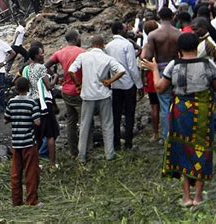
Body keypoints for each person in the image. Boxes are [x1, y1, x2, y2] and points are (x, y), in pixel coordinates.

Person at [141, 33, 216, 207]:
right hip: (202, 112)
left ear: (179, 50)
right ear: (196, 47)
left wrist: (154, 69)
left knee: (183, 149)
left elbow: (160, 88)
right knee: (202, 149)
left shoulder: (174, 65)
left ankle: (186, 197)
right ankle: (198, 197)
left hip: (181, 112)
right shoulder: (208, 64)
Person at [68, 36, 125, 164]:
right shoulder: (107, 58)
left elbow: (71, 71)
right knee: (107, 125)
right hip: (104, 95)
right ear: (103, 45)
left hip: (88, 96)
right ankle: (109, 154)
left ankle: (81, 156)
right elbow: (122, 70)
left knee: (84, 126)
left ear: (92, 44)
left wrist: (77, 84)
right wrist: (110, 81)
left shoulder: (83, 56)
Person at [141, 7, 181, 140]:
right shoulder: (179, 34)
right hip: (177, 68)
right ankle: (179, 134)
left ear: (159, 17)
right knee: (178, 102)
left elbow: (149, 56)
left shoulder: (153, 35)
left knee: (164, 105)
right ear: (172, 17)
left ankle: (166, 137)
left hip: (161, 69)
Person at [45, 30, 85, 158]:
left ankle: (73, 152)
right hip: (79, 90)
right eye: (79, 36)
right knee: (85, 121)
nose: (80, 38)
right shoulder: (82, 52)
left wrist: (55, 76)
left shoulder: (60, 53)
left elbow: (45, 66)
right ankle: (85, 151)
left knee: (71, 122)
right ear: (75, 38)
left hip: (66, 91)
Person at [105, 22, 143, 150]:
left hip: (115, 85)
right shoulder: (127, 44)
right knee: (129, 113)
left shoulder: (108, 46)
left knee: (115, 115)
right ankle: (128, 143)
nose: (127, 29)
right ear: (120, 30)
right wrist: (139, 84)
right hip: (128, 84)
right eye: (124, 27)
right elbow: (132, 67)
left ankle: (116, 144)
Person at [4, 77, 41, 207]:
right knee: (31, 172)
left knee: (15, 173)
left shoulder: (11, 102)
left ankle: (16, 201)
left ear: (16, 88)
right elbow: (37, 122)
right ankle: (31, 200)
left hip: (16, 142)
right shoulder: (31, 103)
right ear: (28, 88)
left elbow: (5, 119)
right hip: (29, 142)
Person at [23, 46, 59, 168]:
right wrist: (55, 78)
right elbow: (49, 87)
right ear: (36, 56)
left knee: (37, 134)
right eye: (41, 53)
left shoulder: (26, 69)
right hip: (43, 103)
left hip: (32, 103)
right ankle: (52, 164)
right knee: (50, 133)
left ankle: (35, 162)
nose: (43, 55)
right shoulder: (41, 68)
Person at [141, 20, 160, 141]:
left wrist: (143, 78)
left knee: (154, 107)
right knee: (166, 105)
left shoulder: (147, 44)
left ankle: (155, 133)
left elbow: (143, 60)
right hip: (164, 75)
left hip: (151, 76)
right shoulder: (162, 41)